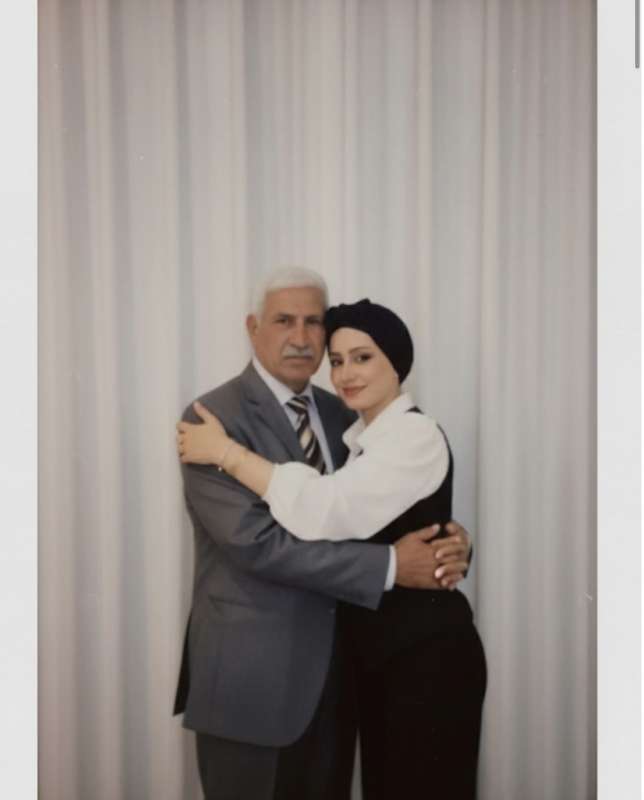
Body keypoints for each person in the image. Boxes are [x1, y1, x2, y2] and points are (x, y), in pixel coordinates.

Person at [173, 268, 472, 800]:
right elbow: (259, 545)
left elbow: (367, 511)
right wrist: (391, 565)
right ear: (252, 328)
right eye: (284, 320)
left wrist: (449, 539)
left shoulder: (344, 412)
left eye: (313, 322)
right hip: (252, 681)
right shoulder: (212, 419)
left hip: (341, 681)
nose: (301, 337)